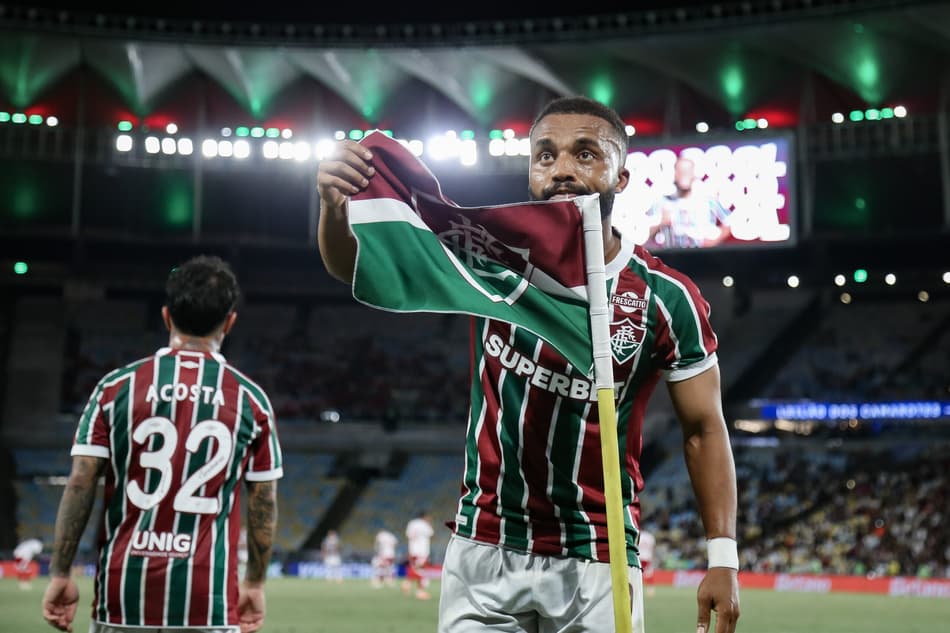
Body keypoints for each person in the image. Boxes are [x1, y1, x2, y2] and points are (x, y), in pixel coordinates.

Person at [317, 96, 740, 633]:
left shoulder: (667, 297)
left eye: (586, 154)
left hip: (598, 555)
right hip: (486, 544)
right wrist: (334, 208)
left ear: (622, 177)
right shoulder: (485, 260)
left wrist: (722, 558)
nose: (562, 168)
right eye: (545, 155)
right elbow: (350, 264)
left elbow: (704, 428)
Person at [41, 255, 283, 633]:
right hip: (208, 601)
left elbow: (80, 481)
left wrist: (60, 571)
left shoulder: (114, 389)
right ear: (230, 322)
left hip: (122, 598)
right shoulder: (251, 400)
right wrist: (254, 582)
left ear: (167, 316)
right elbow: (263, 499)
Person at [645, 155, 732, 249]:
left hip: (703, 256)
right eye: (681, 171)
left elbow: (728, 223)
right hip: (673, 256)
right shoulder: (663, 202)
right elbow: (648, 234)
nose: (684, 174)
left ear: (693, 174)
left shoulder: (707, 200)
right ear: (675, 174)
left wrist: (714, 242)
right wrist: (662, 222)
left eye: (687, 171)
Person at [402, 511, 434, 600]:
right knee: (421, 570)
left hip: (413, 550)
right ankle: (419, 591)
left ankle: (408, 583)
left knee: (416, 569)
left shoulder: (412, 523)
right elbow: (431, 534)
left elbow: (409, 536)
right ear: (425, 517)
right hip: (423, 551)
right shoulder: (425, 524)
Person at [638, 528, 657, 597]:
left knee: (638, 574)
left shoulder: (638, 534)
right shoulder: (650, 536)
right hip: (648, 557)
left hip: (639, 557)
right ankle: (650, 591)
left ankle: (637, 590)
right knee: (648, 574)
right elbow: (653, 548)